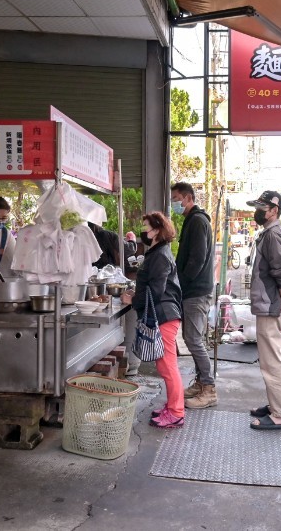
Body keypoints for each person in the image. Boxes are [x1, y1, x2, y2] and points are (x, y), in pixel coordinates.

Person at [120, 212, 184, 428]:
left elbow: (155, 291)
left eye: (146, 227)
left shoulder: (160, 256)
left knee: (167, 366)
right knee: (164, 364)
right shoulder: (157, 252)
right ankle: (172, 406)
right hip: (162, 314)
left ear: (157, 230)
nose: (143, 232)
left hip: (165, 315)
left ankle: (176, 412)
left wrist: (133, 298)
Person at [245, 190, 281, 430]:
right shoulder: (270, 233)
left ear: (274, 210)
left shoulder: (274, 235)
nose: (258, 211)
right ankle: (275, 406)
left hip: (271, 307)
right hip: (269, 306)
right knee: (270, 359)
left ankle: (280, 415)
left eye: (262, 207)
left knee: (272, 362)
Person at [170, 182, 217, 409]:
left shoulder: (198, 221)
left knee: (193, 340)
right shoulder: (194, 220)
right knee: (193, 339)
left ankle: (208, 389)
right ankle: (200, 384)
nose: (174, 203)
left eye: (176, 198)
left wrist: (181, 283)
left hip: (196, 291)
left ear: (188, 198)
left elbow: (196, 259)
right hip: (193, 290)